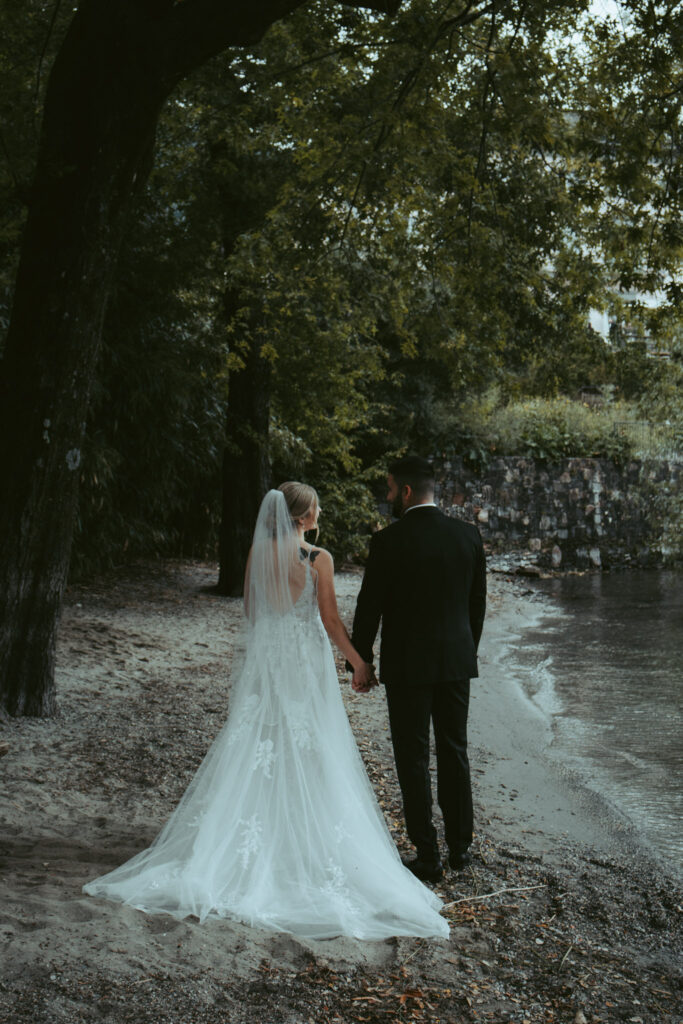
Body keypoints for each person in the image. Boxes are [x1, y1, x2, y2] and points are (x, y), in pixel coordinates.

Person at [83, 483, 448, 940]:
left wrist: (271, 651)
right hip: (304, 661)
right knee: (312, 742)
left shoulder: (257, 553)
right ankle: (300, 844)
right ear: (301, 516)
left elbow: (253, 614)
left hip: (271, 657)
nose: (320, 511)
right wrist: (359, 663)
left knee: (261, 739)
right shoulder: (317, 559)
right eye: (316, 506)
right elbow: (331, 622)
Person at [350, 456, 486, 883]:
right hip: (455, 663)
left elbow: (369, 607)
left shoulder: (388, 542)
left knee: (412, 758)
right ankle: (461, 848)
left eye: (390, 488)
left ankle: (428, 854)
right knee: (454, 750)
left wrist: (362, 660)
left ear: (406, 491)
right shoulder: (467, 536)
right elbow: (475, 608)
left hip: (407, 666)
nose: (388, 496)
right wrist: (464, 652)